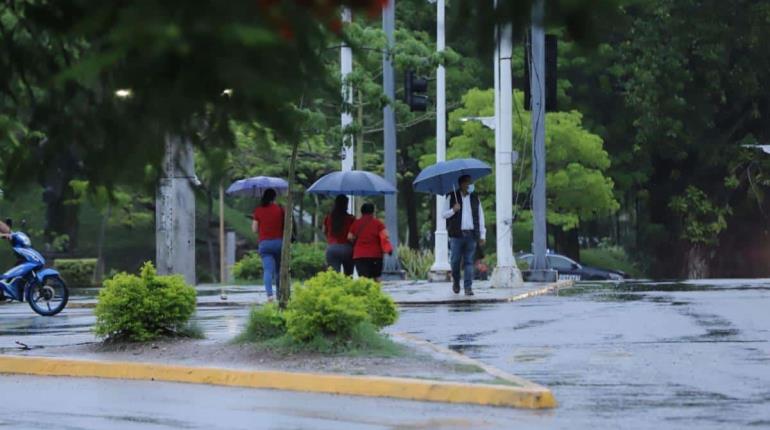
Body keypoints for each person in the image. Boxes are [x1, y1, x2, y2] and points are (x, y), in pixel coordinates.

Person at [442, 175, 486, 296]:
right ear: (462, 184)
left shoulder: (475, 198)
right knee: (455, 261)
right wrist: (453, 210)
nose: (470, 185)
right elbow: (443, 214)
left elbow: (480, 216)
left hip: (471, 235)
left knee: (469, 262)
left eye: (471, 183)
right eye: (468, 183)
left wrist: (482, 234)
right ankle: (456, 281)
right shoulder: (451, 196)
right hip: (456, 235)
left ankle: (468, 287)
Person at [252, 189, 284, 302]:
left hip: (265, 244)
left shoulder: (258, 210)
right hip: (279, 243)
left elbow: (254, 229)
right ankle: (280, 294)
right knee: (279, 270)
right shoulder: (280, 209)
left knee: (268, 270)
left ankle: (270, 296)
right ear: (274, 198)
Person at [348, 203, 390, 279]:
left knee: (363, 279)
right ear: (373, 212)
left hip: (359, 255)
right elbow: (386, 236)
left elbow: (349, 237)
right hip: (375, 255)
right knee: (375, 278)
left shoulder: (356, 223)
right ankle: (376, 290)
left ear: (362, 211)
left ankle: (366, 291)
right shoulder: (378, 223)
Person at [323, 195, 355, 276]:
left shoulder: (328, 217)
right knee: (348, 276)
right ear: (346, 205)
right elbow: (354, 235)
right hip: (347, 249)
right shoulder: (351, 218)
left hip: (332, 248)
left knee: (334, 277)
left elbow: (324, 231)